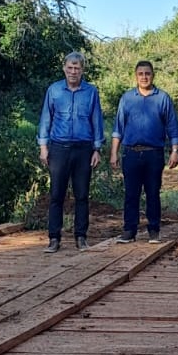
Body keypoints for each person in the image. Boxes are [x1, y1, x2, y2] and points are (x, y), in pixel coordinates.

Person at [37, 51, 104, 251]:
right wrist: (43, 147)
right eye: (70, 67)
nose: (73, 71)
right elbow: (46, 118)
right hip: (59, 148)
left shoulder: (91, 92)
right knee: (57, 194)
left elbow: (96, 120)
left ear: (82, 70)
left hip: (83, 149)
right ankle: (54, 238)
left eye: (77, 68)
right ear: (64, 68)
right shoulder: (54, 90)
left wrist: (97, 149)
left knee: (82, 194)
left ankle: (81, 237)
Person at [109, 60, 178, 242]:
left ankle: (154, 230)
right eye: (140, 74)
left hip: (153, 153)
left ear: (153, 75)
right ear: (136, 76)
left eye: (147, 73)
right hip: (131, 152)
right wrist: (113, 153)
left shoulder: (162, 98)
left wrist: (174, 150)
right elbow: (118, 127)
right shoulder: (127, 98)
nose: (144, 77)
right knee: (131, 193)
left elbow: (172, 125)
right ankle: (129, 231)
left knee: (153, 192)